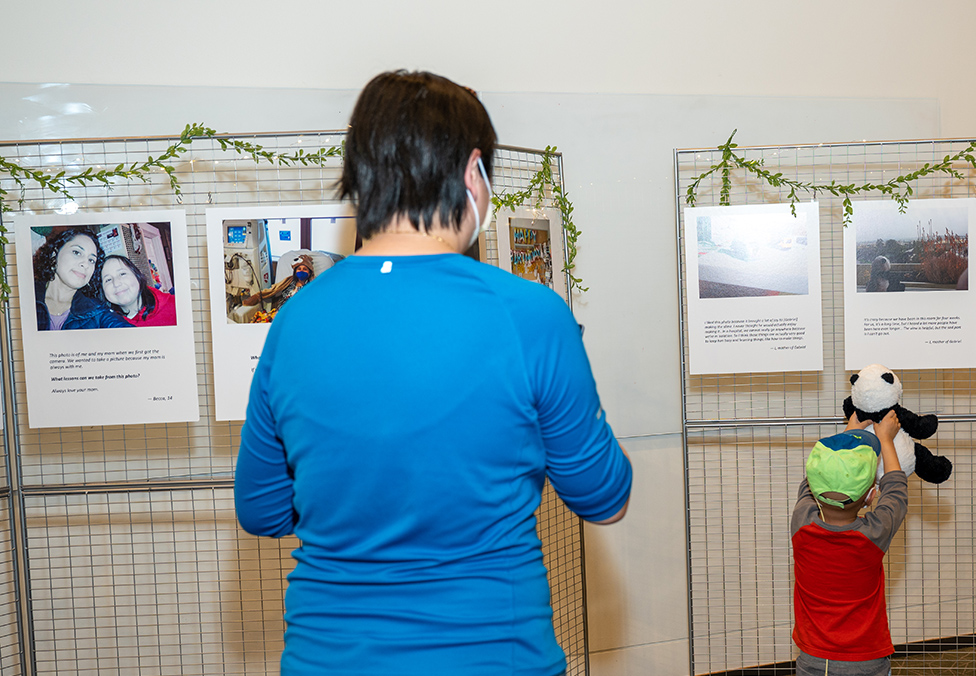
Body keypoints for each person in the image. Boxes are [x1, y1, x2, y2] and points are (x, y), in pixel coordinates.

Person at [234, 70, 633, 676]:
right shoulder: (528, 315)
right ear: (474, 172)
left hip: (329, 657)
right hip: (495, 658)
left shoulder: (295, 320)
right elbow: (604, 497)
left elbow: (262, 511)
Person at [791, 410, 904, 676]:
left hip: (813, 659)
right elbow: (897, 490)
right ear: (871, 495)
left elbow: (815, 480)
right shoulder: (873, 534)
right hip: (867, 662)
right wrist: (885, 440)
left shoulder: (802, 524)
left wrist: (848, 436)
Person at [32, 228, 131, 331]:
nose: (86, 264)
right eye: (77, 252)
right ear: (54, 253)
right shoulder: (25, 296)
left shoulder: (97, 311)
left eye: (91, 260)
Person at [100, 255, 177, 327]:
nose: (116, 283)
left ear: (137, 276)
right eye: (108, 280)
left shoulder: (177, 306)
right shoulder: (105, 325)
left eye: (122, 274)